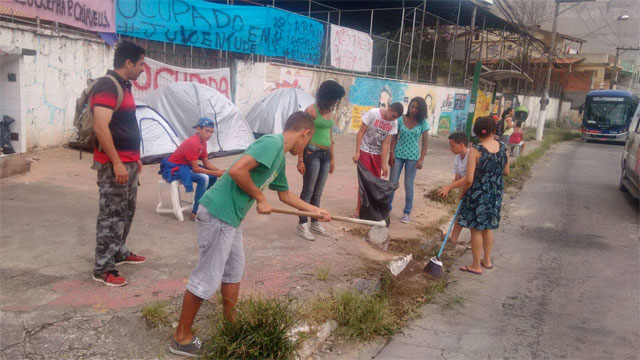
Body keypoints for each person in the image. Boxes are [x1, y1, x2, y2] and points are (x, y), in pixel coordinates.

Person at [169, 111, 331, 358]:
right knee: (207, 278)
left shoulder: (278, 158)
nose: (304, 148)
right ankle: (181, 338)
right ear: (305, 132)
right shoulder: (271, 143)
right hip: (218, 213)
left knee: (234, 272)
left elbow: (285, 195)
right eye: (307, 142)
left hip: (231, 218)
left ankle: (231, 328)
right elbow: (236, 170)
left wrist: (315, 211)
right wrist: (259, 197)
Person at [91, 41, 146, 287]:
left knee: (126, 211)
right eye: (141, 64)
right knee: (111, 215)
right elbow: (100, 126)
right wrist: (117, 162)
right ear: (128, 63)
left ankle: (119, 251)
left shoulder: (125, 86)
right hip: (115, 164)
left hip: (129, 161)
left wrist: (136, 158)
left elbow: (125, 125)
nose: (143, 69)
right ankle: (103, 267)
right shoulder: (107, 85)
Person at [458, 117, 509, 275]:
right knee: (487, 228)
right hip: (495, 193)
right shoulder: (503, 147)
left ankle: (475, 265)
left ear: (476, 131)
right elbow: (506, 172)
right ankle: (486, 260)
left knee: (476, 230)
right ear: (493, 130)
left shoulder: (476, 150)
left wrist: (462, 194)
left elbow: (469, 179)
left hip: (478, 195)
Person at [296, 80, 345, 241]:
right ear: (327, 96)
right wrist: (301, 159)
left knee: (318, 193)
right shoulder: (312, 110)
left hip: (324, 155)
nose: (334, 103)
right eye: (334, 99)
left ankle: (315, 222)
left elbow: (330, 136)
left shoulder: (328, 112)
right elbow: (303, 134)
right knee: (308, 191)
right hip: (312, 153)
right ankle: (302, 224)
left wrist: (332, 158)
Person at [160, 118, 226, 221]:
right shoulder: (192, 143)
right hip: (175, 168)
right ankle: (196, 212)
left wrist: (219, 171)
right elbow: (195, 168)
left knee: (212, 176)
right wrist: (216, 172)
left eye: (211, 132)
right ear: (199, 129)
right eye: (207, 131)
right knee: (204, 178)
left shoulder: (203, 142)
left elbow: (206, 162)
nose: (209, 134)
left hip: (186, 166)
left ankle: (205, 204)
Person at [353, 103, 404, 216]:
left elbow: (386, 143)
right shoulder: (373, 113)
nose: (393, 119)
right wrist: (357, 152)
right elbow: (361, 132)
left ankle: (371, 209)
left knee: (375, 182)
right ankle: (359, 208)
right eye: (393, 116)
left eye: (396, 118)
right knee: (365, 181)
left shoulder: (394, 123)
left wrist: (383, 164)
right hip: (364, 150)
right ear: (389, 109)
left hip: (377, 154)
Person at [388, 97, 429, 224]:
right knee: (392, 183)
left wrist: (421, 159)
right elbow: (394, 138)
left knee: (408, 185)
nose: (413, 109)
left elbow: (425, 142)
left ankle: (407, 212)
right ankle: (387, 209)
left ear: (420, 110)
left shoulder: (423, 122)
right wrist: (391, 153)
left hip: (413, 157)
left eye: (416, 108)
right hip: (398, 154)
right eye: (412, 106)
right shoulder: (400, 120)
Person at [437, 132, 470, 246]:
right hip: (465, 189)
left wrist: (449, 187)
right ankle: (453, 240)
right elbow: (458, 178)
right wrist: (446, 189)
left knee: (468, 216)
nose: (450, 148)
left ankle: (473, 242)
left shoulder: (471, 156)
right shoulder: (457, 158)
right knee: (459, 214)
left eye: (452, 145)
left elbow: (468, 178)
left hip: (474, 189)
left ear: (460, 145)